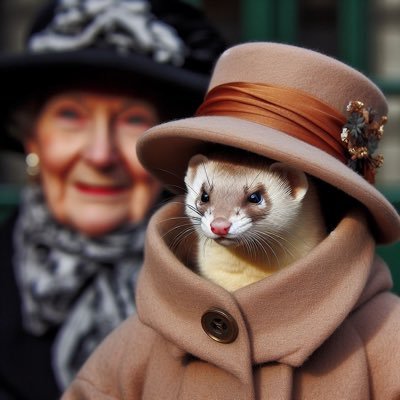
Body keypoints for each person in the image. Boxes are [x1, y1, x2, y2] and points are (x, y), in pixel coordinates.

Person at [62, 42, 400, 399]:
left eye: (254, 198)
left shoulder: (385, 339)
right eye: (204, 198)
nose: (219, 221)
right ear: (191, 179)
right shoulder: (142, 340)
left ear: (293, 186)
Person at [0, 0, 225, 398]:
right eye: (71, 115)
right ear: (32, 137)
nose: (101, 155)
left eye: (133, 120)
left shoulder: (224, 286)